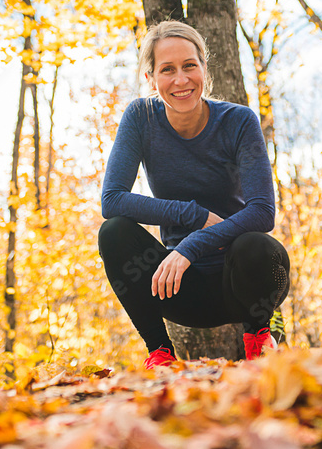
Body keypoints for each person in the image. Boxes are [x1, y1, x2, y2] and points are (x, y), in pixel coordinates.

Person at [98, 21, 290, 369]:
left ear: (204, 68)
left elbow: (263, 212)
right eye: (167, 70)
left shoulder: (238, 121)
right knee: (114, 232)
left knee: (256, 244)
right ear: (150, 78)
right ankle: (160, 354)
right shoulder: (140, 118)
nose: (181, 79)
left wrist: (191, 245)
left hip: (243, 284)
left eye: (190, 65)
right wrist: (194, 215)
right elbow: (112, 200)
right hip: (180, 290)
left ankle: (261, 338)